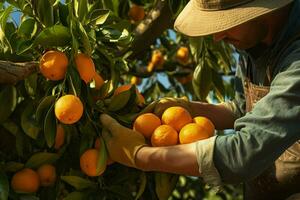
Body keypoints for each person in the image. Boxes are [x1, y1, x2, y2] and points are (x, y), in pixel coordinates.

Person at [100, 0, 300, 199]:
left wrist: (141, 156)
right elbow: (243, 109)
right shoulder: (254, 39)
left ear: (262, 10)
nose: (217, 36)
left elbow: (245, 153)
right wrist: (189, 109)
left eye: (227, 22)